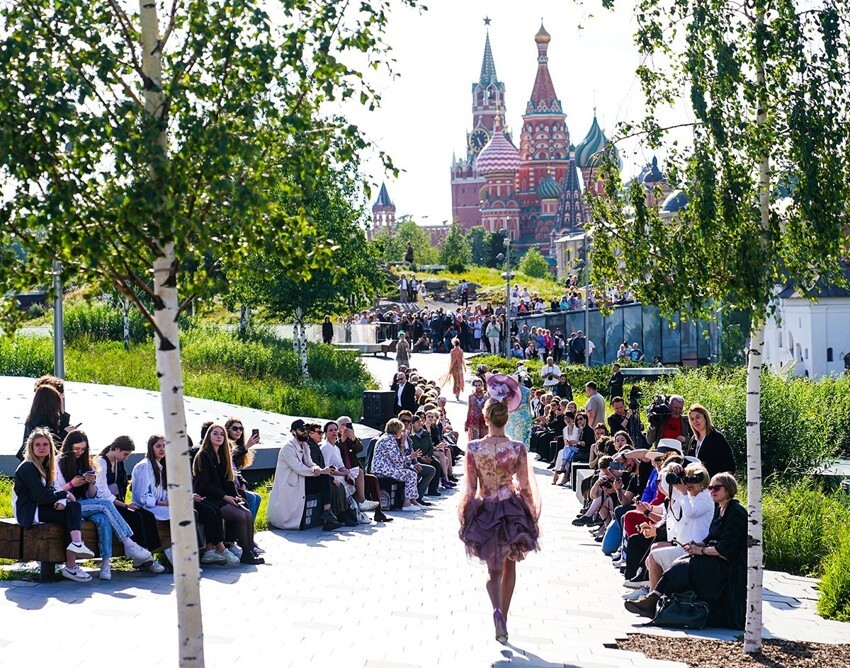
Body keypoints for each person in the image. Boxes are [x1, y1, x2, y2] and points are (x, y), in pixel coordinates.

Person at [458, 398, 541, 644]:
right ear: (506, 418)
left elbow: (470, 488)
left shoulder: (473, 448)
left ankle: (495, 611)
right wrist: (531, 514)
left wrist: (465, 513)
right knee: (510, 566)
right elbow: (525, 486)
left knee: (493, 570)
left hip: (486, 509)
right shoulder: (517, 448)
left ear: (485, 418)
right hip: (511, 509)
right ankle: (504, 617)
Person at [626, 471, 745, 627]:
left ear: (728, 489)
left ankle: (654, 599)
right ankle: (654, 598)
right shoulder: (720, 508)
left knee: (680, 567)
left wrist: (700, 551)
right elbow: (710, 538)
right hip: (713, 556)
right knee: (680, 563)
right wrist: (698, 545)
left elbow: (726, 548)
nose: (712, 491)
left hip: (727, 564)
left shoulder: (735, 512)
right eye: (710, 488)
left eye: (716, 488)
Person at [57, 430, 154, 579]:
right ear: (68, 446)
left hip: (84, 503)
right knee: (104, 505)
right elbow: (54, 491)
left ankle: (105, 565)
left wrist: (91, 482)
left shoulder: (85, 462)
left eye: (83, 449)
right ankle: (129, 543)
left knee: (103, 519)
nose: (79, 452)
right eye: (76, 449)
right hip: (68, 506)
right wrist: (72, 484)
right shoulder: (58, 462)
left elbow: (91, 495)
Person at [133, 433, 236, 566]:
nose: (162, 449)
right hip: (147, 507)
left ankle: (191, 556)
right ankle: (181, 561)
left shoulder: (160, 466)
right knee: (184, 515)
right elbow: (143, 497)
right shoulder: (145, 466)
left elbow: (166, 492)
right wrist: (165, 502)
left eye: (164, 446)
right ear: (150, 448)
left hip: (160, 505)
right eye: (158, 446)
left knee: (190, 512)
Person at [14, 428, 95, 582]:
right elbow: (41, 496)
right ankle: (74, 556)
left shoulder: (46, 465)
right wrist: (64, 495)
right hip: (30, 512)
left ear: (51, 447)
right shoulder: (28, 467)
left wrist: (61, 500)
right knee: (72, 511)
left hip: (41, 506)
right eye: (37, 444)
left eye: (45, 444)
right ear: (31, 447)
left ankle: (73, 559)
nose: (42, 447)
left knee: (73, 509)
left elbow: (52, 488)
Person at [192, 424, 264, 563]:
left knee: (247, 514)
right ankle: (245, 554)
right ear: (209, 436)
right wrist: (226, 497)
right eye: (215, 433)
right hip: (208, 497)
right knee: (240, 516)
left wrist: (235, 496)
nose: (219, 437)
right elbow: (205, 485)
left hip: (222, 496)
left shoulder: (223, 456)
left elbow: (229, 481)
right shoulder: (203, 455)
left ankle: (249, 549)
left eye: (222, 434)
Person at [94, 435, 165, 570]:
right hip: (105, 504)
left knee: (147, 515)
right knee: (135, 516)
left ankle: (149, 553)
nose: (126, 458)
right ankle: (143, 556)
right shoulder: (102, 462)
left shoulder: (118, 463)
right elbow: (102, 493)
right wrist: (125, 505)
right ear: (116, 449)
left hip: (116, 502)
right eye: (125, 454)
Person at [267, 419, 342, 531]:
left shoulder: (305, 446)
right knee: (324, 476)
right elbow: (299, 468)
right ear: (293, 432)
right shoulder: (288, 448)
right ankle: (329, 515)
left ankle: (328, 513)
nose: (305, 432)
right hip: (291, 486)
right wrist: (320, 471)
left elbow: (310, 463)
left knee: (326, 478)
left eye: (306, 430)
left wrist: (317, 468)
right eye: (302, 430)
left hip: (303, 481)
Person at [370, 418, 425, 512]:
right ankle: (407, 503)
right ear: (396, 430)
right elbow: (397, 459)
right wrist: (411, 457)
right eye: (401, 430)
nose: (402, 433)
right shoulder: (388, 440)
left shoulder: (389, 438)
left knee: (410, 472)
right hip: (382, 469)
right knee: (411, 475)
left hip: (387, 467)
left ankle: (413, 501)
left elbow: (397, 458)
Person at [17, 381, 72, 460]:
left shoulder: (35, 416)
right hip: (40, 460)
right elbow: (52, 443)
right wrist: (66, 432)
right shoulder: (43, 419)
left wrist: (63, 415)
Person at [226, 418, 263, 523]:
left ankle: (249, 529)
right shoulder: (225, 446)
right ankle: (246, 531)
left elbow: (237, 471)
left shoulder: (239, 446)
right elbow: (229, 459)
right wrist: (247, 446)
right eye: (235, 428)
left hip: (236, 486)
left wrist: (243, 483)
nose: (238, 431)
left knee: (257, 497)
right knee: (251, 498)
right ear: (227, 430)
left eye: (240, 429)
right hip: (228, 488)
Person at [686, 404, 736, 477]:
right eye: (692, 419)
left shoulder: (717, 437)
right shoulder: (693, 440)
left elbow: (729, 465)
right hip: (696, 485)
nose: (695, 421)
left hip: (713, 484)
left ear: (705, 418)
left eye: (698, 417)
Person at [465, 378, 489, 442]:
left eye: (479, 385)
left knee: (484, 439)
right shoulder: (471, 396)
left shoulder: (486, 396)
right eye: (476, 385)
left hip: (483, 419)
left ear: (482, 386)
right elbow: (469, 409)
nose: (477, 387)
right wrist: (467, 422)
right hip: (474, 420)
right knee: (474, 439)